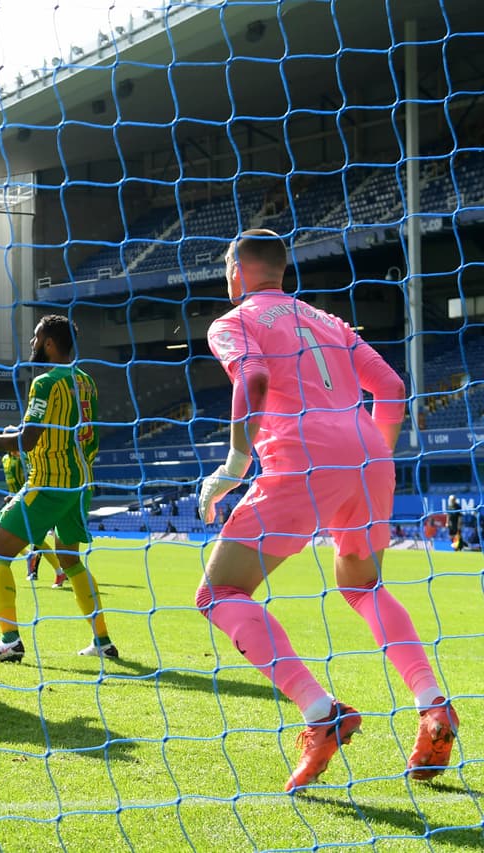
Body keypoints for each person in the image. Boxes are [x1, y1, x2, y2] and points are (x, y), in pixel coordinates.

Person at [195, 228, 457, 791]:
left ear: (237, 271)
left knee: (218, 593)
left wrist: (236, 465)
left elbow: (255, 377)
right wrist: (373, 454)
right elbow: (391, 385)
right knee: (362, 586)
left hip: (304, 455)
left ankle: (321, 713)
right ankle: (434, 704)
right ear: (282, 271)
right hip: (367, 450)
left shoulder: (232, 321)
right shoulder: (327, 321)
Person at [0, 314, 117, 665]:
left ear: (49, 343)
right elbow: (93, 436)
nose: (32, 345)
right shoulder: (86, 382)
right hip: (79, 484)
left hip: (48, 483)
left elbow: (25, 441)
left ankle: (9, 640)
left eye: (36, 338)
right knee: (70, 560)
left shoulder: (46, 383)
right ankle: (103, 641)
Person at [4, 446, 67, 588]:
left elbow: (33, 478)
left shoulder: (27, 458)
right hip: (16, 499)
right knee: (32, 537)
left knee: (36, 537)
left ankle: (58, 570)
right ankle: (31, 557)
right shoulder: (5, 459)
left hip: (31, 499)